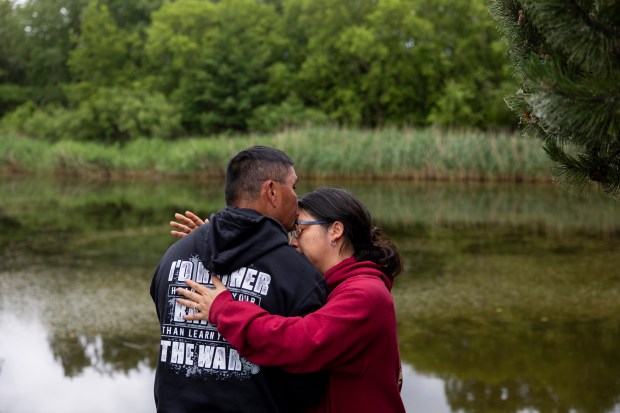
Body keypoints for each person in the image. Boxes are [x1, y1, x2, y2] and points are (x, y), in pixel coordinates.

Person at [176, 187, 406, 413]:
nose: (293, 242)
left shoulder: (364, 295)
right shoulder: (334, 286)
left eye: (300, 230)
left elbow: (298, 342)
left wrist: (222, 309)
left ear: (335, 230)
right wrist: (217, 243)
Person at [150, 146, 328, 413]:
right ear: (272, 191)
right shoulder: (299, 275)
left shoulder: (174, 256)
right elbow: (310, 385)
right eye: (294, 187)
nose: (298, 199)